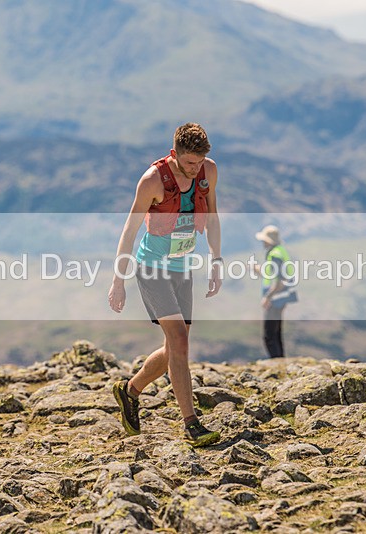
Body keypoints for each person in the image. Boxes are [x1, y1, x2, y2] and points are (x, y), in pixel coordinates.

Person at [108, 122, 223, 447]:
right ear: (174, 154)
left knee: (174, 346)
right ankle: (191, 425)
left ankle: (129, 391)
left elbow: (212, 216)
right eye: (189, 163)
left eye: (199, 162)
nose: (195, 168)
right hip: (151, 268)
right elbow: (129, 232)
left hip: (182, 267)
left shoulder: (208, 172)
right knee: (180, 341)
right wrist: (119, 280)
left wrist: (216, 260)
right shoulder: (152, 181)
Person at [255, 225, 296, 359]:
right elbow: (272, 275)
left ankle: (276, 364)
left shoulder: (275, 255)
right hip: (282, 296)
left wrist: (268, 297)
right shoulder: (280, 251)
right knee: (276, 333)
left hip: (276, 298)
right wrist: (259, 270)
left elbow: (279, 280)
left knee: (269, 335)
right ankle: (280, 362)